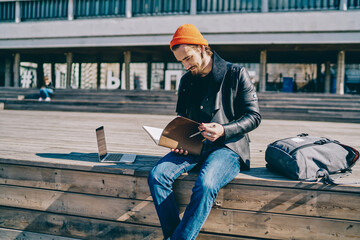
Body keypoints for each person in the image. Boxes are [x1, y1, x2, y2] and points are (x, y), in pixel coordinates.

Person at [147, 24, 262, 239]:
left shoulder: (236, 73)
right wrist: (177, 142)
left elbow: (254, 117)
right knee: (157, 176)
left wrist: (224, 129)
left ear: (201, 47)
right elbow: (182, 118)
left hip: (228, 147)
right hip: (192, 146)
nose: (185, 65)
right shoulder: (186, 81)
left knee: (206, 183)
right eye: (181, 61)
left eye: (188, 58)